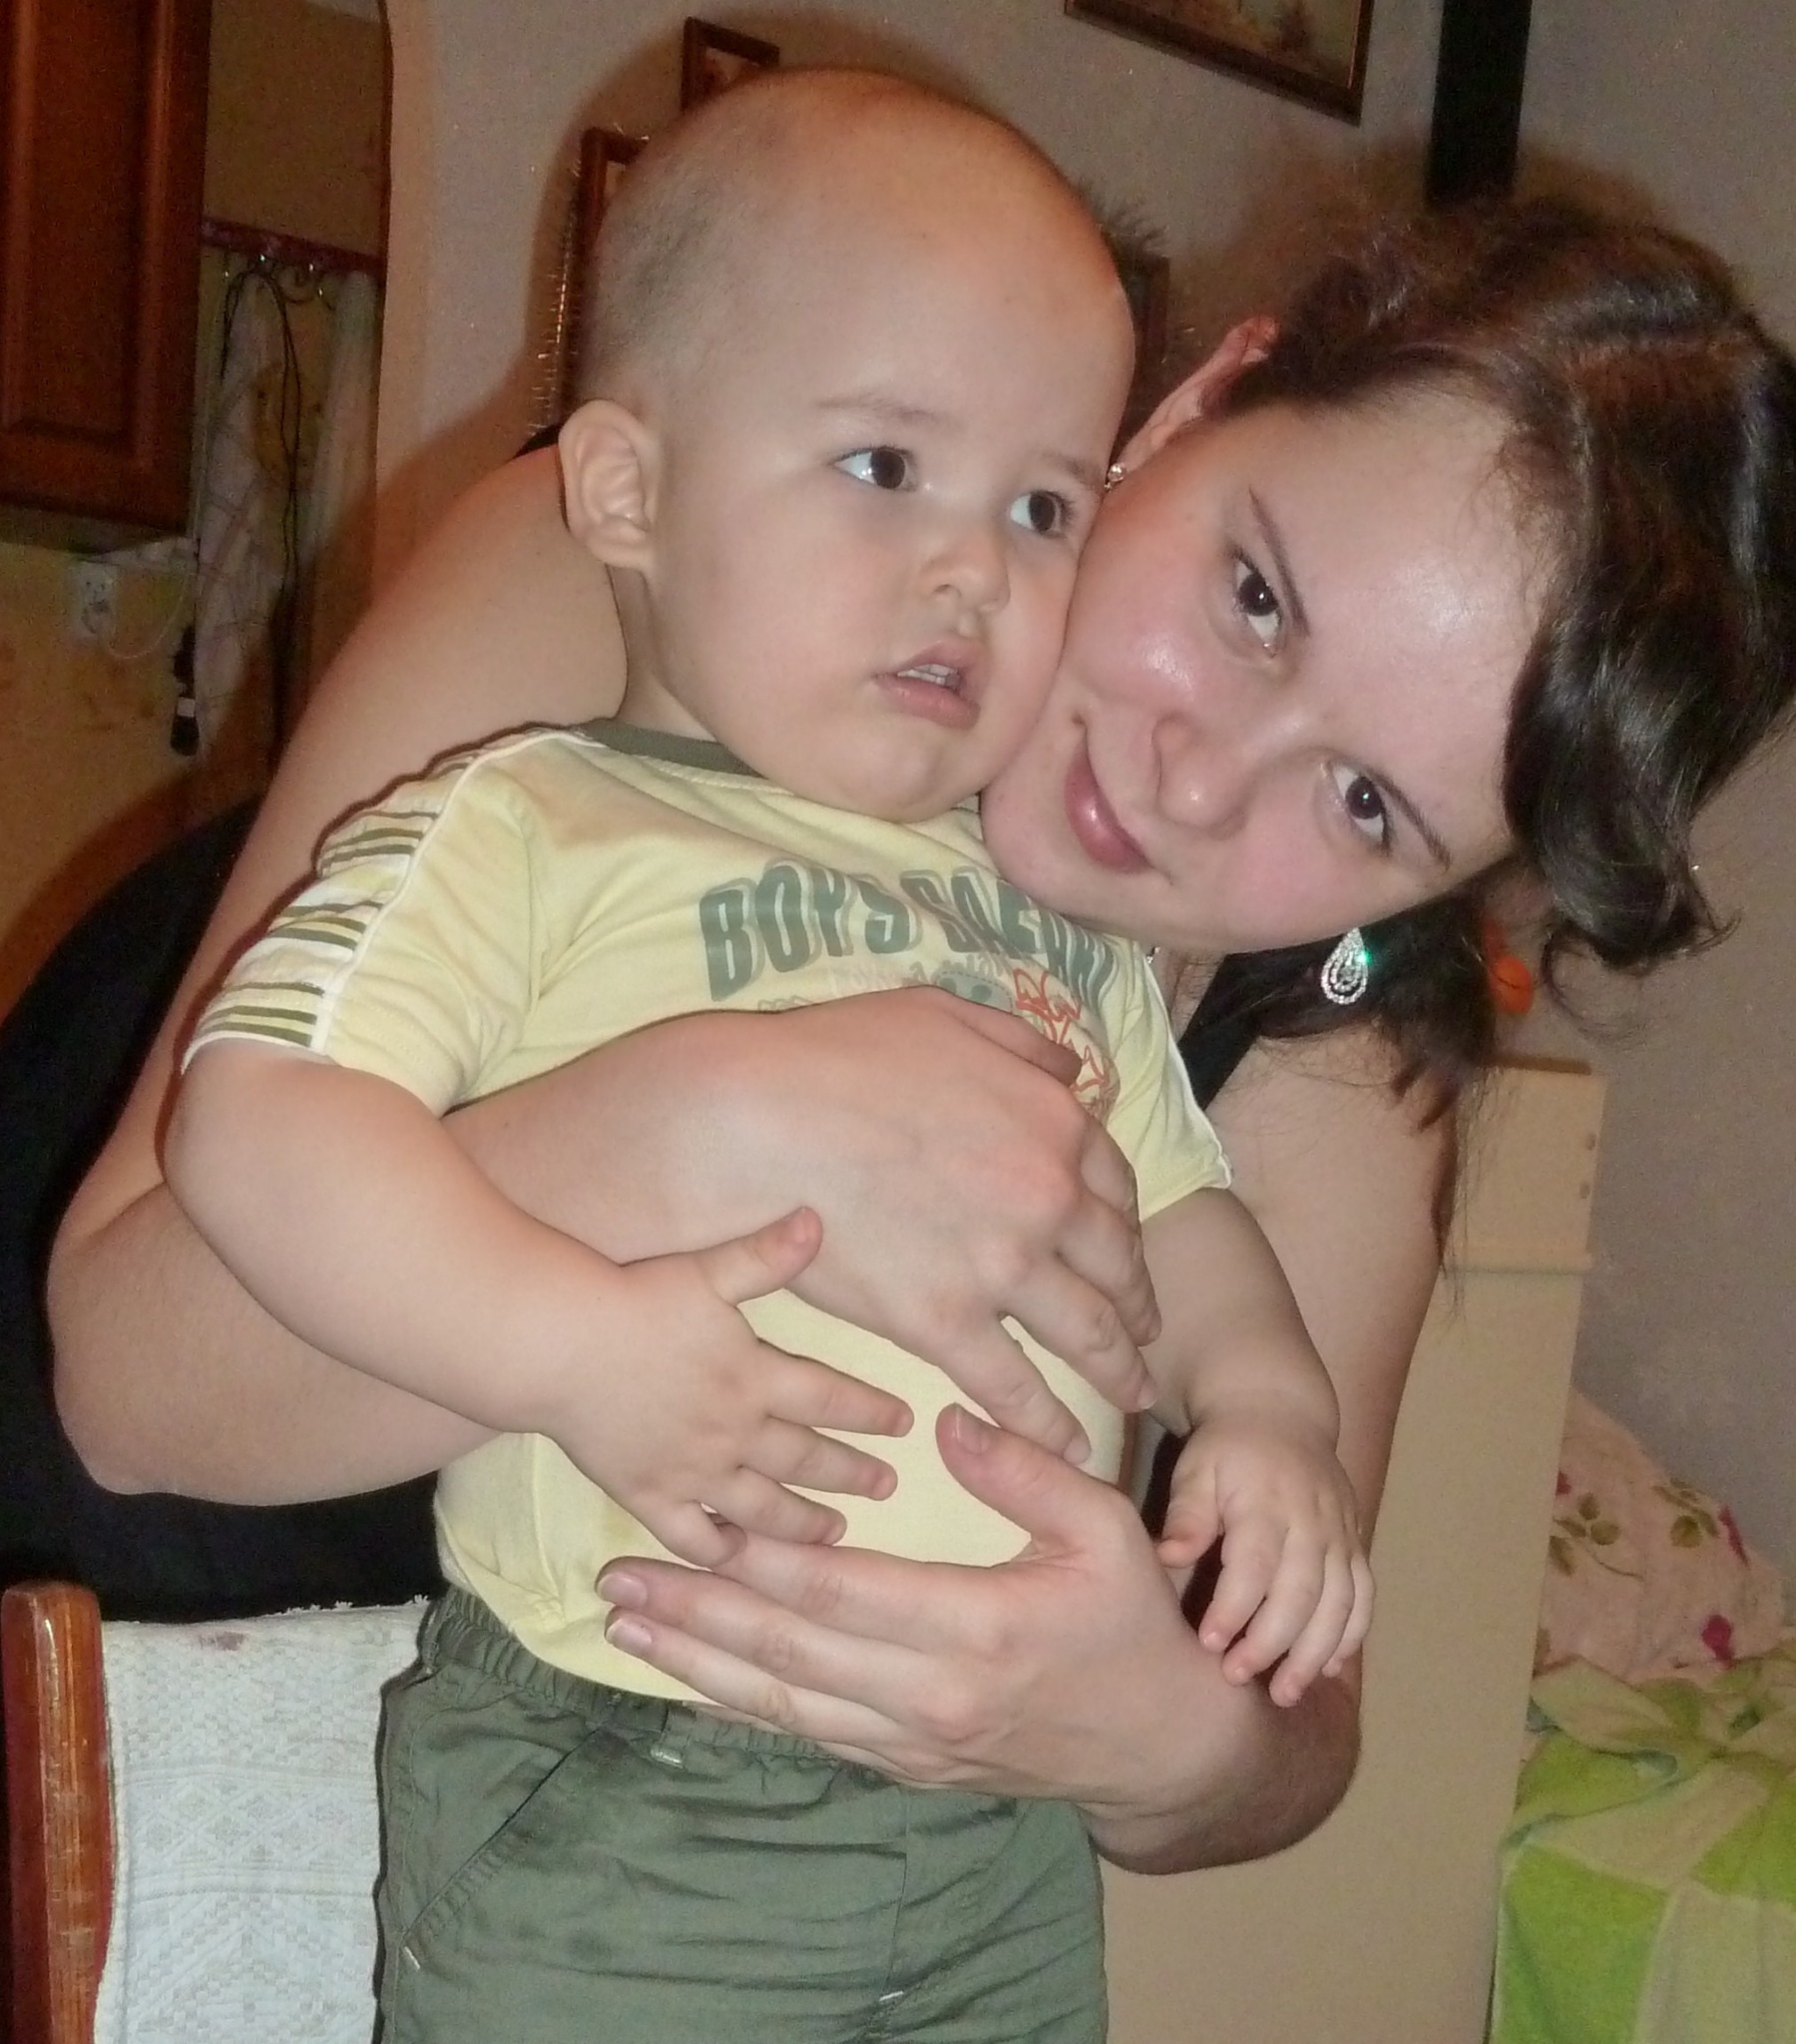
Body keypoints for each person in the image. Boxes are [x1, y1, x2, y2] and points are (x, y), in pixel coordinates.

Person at [47, 177, 1796, 1947]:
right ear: (1201, 404)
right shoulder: (662, 571)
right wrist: (712, 1129)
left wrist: (1160, 1743)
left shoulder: (1336, 1041)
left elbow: (1298, 1709)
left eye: (1366, 804)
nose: (1197, 781)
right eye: (1257, 596)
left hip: (607, 1849)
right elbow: (125, 1389)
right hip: (111, 1658)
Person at [162, 72, 1372, 2041]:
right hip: (623, 1778)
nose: (976, 570)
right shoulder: (522, 823)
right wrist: (569, 1348)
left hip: (989, 1816)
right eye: (886, 465)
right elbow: (259, 1123)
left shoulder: (1044, 922)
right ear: (629, 492)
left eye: (1043, 508)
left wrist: (1269, 1413)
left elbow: (1187, 1206)